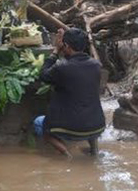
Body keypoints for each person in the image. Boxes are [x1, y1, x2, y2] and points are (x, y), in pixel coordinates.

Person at [34, 28, 105, 159]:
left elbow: (43, 75)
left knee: (39, 124)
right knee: (88, 116)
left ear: (65, 46)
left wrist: (55, 51)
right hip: (97, 125)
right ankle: (94, 152)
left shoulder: (62, 67)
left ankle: (67, 155)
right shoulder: (96, 65)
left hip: (71, 126)